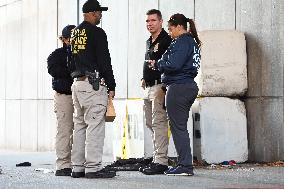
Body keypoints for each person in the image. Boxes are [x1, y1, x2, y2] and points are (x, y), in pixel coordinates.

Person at [149, 13, 201, 176]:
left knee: (178, 127)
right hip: (188, 85)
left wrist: (158, 63)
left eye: (171, 30)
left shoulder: (182, 41)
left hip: (179, 87)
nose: (170, 33)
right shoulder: (191, 41)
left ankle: (185, 165)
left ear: (179, 27)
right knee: (180, 127)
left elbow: (173, 64)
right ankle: (184, 163)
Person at [69, 0, 116, 179]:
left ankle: (78, 167)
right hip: (92, 84)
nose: (100, 15)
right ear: (92, 13)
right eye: (98, 12)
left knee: (80, 126)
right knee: (95, 125)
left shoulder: (74, 33)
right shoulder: (97, 33)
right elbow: (105, 61)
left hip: (77, 84)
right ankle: (93, 168)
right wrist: (111, 85)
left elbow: (69, 61)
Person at [140, 9, 172, 175]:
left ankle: (161, 160)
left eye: (153, 20)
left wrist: (166, 86)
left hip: (160, 87)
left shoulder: (166, 40)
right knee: (150, 123)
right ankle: (156, 156)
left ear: (160, 22)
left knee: (159, 123)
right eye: (147, 21)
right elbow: (148, 62)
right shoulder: (148, 41)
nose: (149, 24)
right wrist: (143, 77)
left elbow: (168, 63)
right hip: (148, 87)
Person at [47, 24, 76, 176]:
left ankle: (78, 164)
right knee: (64, 130)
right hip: (64, 96)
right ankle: (63, 165)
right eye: (70, 38)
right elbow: (54, 70)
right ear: (64, 39)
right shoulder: (56, 55)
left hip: (82, 97)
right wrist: (74, 71)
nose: (73, 40)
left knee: (80, 131)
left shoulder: (85, 53)